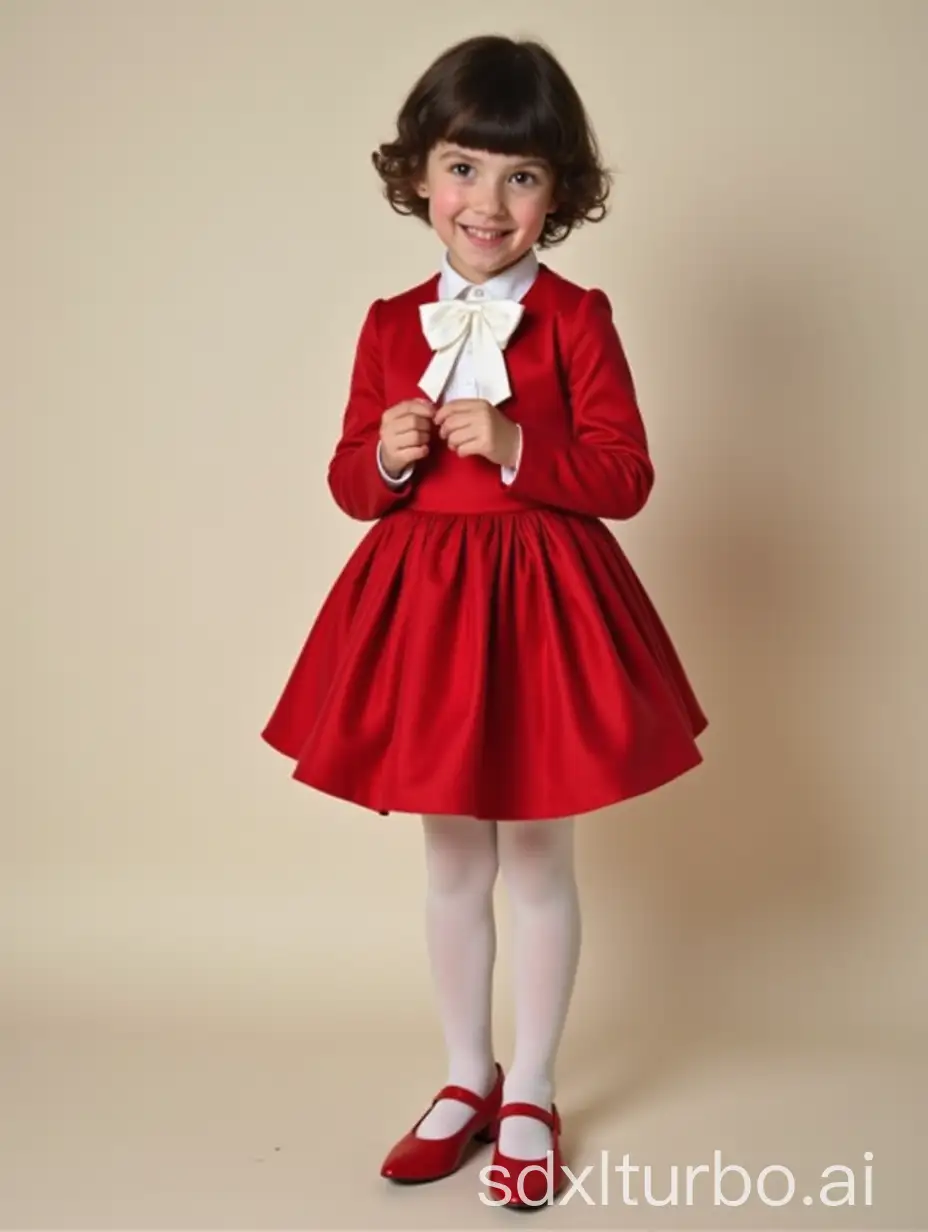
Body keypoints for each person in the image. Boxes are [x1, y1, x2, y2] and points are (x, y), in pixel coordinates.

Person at [261, 33, 708, 1208]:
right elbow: (350, 488)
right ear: (418, 174)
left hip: (545, 608)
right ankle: (465, 1077)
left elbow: (624, 475)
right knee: (453, 855)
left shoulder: (575, 315)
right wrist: (384, 455)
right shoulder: (385, 321)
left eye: (520, 176)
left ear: (559, 194)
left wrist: (520, 447)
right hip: (426, 611)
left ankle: (535, 1088)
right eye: (463, 167)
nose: (487, 201)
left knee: (540, 855)